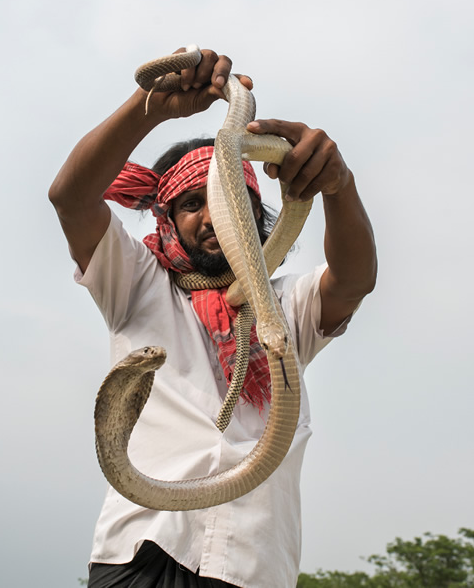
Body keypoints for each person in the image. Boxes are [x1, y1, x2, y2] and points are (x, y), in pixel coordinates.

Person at [49, 48, 377, 588]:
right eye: (192, 203)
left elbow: (353, 280)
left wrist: (339, 185)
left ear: (253, 215)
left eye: (228, 200)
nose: (210, 217)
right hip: (142, 552)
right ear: (168, 219)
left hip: (253, 566)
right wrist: (150, 107)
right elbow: (70, 198)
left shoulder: (284, 304)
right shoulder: (137, 281)